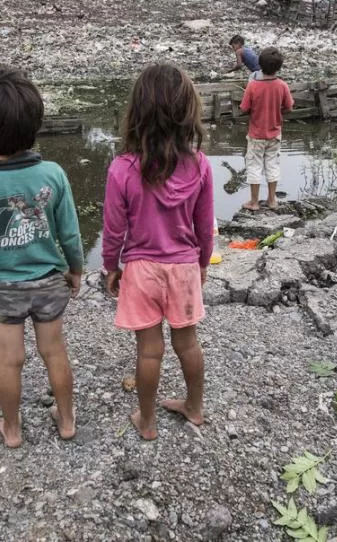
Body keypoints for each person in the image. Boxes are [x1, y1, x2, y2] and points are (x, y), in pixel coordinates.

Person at [0, 66, 83, 449]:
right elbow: (71, 234)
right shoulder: (54, 174)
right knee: (54, 352)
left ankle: (11, 429)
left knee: (9, 361)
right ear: (37, 123)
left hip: (3, 287)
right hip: (48, 283)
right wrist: (76, 269)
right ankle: (66, 420)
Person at [102, 63, 214, 441]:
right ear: (188, 112)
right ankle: (194, 407)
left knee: (150, 351)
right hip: (183, 267)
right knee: (188, 342)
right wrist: (201, 264)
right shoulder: (200, 165)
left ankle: (147, 422)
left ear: (137, 111)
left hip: (141, 269)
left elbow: (113, 229)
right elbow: (205, 225)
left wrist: (109, 267)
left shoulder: (122, 168)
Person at [239, 47, 294, 211]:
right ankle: (272, 200)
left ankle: (254, 202)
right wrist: (278, 111)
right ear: (278, 67)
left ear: (260, 65)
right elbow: (289, 107)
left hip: (256, 134)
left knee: (254, 166)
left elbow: (244, 108)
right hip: (275, 133)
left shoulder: (253, 86)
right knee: (273, 165)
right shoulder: (282, 85)